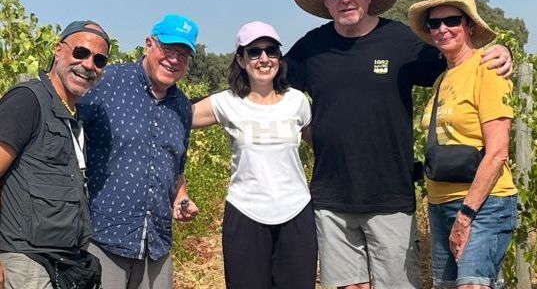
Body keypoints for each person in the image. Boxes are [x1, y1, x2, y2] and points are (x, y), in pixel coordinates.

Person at [285, 0, 514, 289]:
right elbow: (269, 90)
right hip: (330, 197)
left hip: (390, 195)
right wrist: (307, 128)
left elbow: (458, 59)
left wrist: (501, 51)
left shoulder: (400, 41)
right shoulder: (310, 47)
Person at [192, 21, 317, 289]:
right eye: (254, 52)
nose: (264, 59)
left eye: (271, 51)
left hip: (296, 212)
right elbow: (178, 117)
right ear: (240, 59)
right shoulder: (226, 102)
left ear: (279, 58)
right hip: (245, 212)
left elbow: (322, 145)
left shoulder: (298, 101)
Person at [77, 14, 199, 289]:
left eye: (183, 54)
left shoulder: (181, 106)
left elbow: (176, 167)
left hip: (156, 245)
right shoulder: (106, 84)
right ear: (149, 45)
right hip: (103, 239)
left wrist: (182, 197)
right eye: (168, 49)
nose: (174, 59)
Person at [408, 0, 517, 288]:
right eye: (434, 23)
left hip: (482, 203)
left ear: (469, 25)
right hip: (440, 203)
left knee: (472, 284)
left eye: (452, 20)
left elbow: (497, 151)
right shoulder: (442, 79)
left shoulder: (488, 69)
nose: (443, 29)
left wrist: (466, 213)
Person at [0, 20, 110, 288]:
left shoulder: (74, 114)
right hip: (26, 263)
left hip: (62, 264)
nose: (88, 65)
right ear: (59, 50)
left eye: (99, 60)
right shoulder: (28, 100)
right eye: (81, 52)